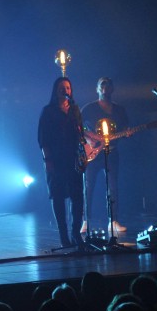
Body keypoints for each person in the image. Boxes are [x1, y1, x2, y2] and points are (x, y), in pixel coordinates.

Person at [38, 76, 101, 249]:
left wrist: (88, 148)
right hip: (56, 160)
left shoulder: (74, 110)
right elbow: (43, 139)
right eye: (61, 87)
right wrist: (48, 160)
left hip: (74, 159)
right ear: (55, 90)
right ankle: (63, 235)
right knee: (58, 197)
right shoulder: (48, 111)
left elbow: (80, 134)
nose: (65, 90)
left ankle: (75, 234)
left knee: (77, 196)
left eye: (67, 87)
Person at [81, 77, 130, 234]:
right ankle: (85, 221)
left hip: (112, 152)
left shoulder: (119, 110)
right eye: (103, 85)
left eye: (109, 85)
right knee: (89, 187)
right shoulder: (88, 109)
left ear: (112, 89)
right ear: (97, 89)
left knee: (113, 187)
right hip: (93, 154)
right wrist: (90, 139)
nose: (106, 88)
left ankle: (113, 221)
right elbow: (78, 128)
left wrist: (127, 133)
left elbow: (124, 128)